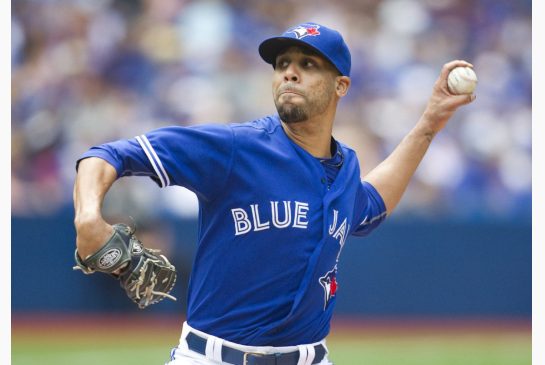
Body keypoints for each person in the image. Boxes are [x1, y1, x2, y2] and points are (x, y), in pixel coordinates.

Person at [73, 22, 475, 365]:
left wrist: (428, 124)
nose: (290, 73)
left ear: (341, 85)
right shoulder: (236, 148)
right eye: (282, 64)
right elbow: (107, 155)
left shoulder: (345, 167)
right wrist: (88, 217)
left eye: (308, 64)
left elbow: (369, 206)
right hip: (213, 356)